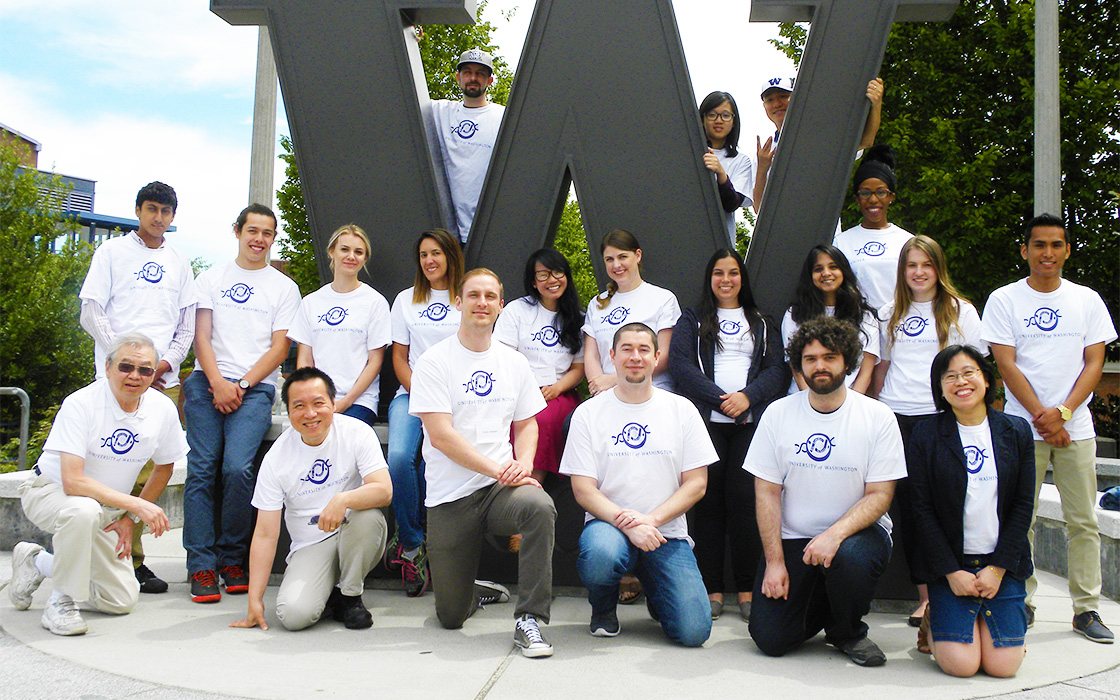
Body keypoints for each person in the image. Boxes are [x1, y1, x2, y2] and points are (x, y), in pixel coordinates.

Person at [982, 213, 1116, 643]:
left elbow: (1094, 361)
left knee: (1083, 521)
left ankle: (1086, 609)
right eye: (1038, 245)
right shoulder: (1004, 300)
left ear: (1066, 250)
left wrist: (1064, 412)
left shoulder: (1087, 300)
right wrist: (1044, 415)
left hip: (1075, 428)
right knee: (1021, 520)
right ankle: (1023, 601)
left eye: (1056, 245)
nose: (1047, 253)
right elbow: (1006, 364)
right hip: (1023, 428)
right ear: (1025, 250)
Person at [410, 269, 557, 658]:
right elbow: (441, 436)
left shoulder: (513, 362)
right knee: (450, 616)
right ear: (458, 302)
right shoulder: (434, 362)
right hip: (449, 497)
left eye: (490, 297)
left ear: (501, 306)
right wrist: (498, 468)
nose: (482, 303)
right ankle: (473, 590)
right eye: (473, 295)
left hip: (499, 492)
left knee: (539, 507)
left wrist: (522, 465)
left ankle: (530, 620)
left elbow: (527, 424)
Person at [745, 316, 906, 666]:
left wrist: (834, 535)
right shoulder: (778, 414)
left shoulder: (878, 417)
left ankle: (846, 631)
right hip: (793, 540)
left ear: (847, 362)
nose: (820, 366)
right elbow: (766, 493)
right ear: (799, 366)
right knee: (770, 640)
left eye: (829, 357)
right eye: (810, 358)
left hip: (857, 537)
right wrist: (774, 563)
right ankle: (823, 597)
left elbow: (879, 494)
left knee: (849, 558)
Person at [9, 333, 188, 635]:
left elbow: (165, 466)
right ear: (107, 368)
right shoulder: (81, 404)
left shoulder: (162, 409)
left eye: (145, 369)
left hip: (106, 506)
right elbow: (73, 480)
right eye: (125, 366)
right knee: (83, 510)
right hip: (50, 492)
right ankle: (60, 603)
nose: (135, 376)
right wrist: (136, 505)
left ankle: (37, 562)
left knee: (119, 600)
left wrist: (130, 520)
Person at [562, 322, 716, 646]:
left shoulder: (681, 410)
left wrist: (651, 521)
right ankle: (603, 609)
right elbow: (583, 489)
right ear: (612, 355)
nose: (635, 357)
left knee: (694, 632)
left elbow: (697, 483)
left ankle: (660, 595)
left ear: (657, 357)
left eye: (644, 349)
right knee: (601, 556)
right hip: (609, 527)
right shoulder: (588, 414)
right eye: (627, 350)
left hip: (665, 533)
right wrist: (629, 524)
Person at [78, 180, 196, 595]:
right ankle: (91, 557)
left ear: (172, 217)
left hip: (162, 383)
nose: (158, 218)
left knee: (146, 472)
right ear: (138, 210)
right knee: (105, 468)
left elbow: (186, 321)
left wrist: (164, 363)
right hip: (116, 381)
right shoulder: (111, 253)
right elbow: (91, 310)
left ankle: (134, 559)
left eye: (165, 212)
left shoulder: (180, 262)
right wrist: (125, 360)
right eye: (151, 209)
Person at [183, 204, 300, 604]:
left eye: (267, 233)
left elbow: (281, 346)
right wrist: (217, 382)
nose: (259, 240)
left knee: (237, 468)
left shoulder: (283, 288)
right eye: (252, 231)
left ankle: (232, 558)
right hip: (205, 384)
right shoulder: (211, 278)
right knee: (201, 468)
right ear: (237, 231)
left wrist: (243, 384)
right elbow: (201, 337)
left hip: (255, 389)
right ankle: (200, 563)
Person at [869, 234, 986, 626]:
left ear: (938, 268)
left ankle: (948, 590)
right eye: (911, 265)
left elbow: (978, 371)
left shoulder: (961, 311)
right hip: (897, 418)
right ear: (902, 271)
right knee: (905, 509)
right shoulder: (887, 313)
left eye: (926, 264)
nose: (919, 272)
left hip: (942, 419)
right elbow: (880, 370)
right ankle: (924, 597)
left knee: (942, 507)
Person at [668, 249, 788, 621]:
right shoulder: (692, 318)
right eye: (718, 272)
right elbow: (681, 366)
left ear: (742, 278)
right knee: (706, 504)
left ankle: (747, 590)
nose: (725, 280)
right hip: (706, 424)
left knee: (744, 502)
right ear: (710, 278)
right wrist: (721, 401)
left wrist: (747, 398)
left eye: (733, 273)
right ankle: (711, 588)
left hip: (749, 426)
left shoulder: (762, 321)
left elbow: (778, 370)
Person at [230, 367, 392, 632]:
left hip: (353, 531)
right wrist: (254, 600)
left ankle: (350, 597)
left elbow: (384, 491)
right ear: (289, 411)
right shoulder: (277, 457)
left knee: (368, 516)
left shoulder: (357, 432)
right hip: (311, 543)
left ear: (332, 403)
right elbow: (265, 534)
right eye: (299, 406)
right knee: (293, 616)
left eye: (318, 403)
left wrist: (342, 500)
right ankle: (330, 593)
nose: (310, 413)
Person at [908, 346, 1033, 677]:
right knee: (961, 666)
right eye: (949, 376)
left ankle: (995, 620)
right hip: (953, 566)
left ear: (986, 379)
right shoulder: (925, 435)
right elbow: (921, 509)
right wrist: (951, 572)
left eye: (968, 372)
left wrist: (998, 569)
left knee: (1003, 668)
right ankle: (934, 621)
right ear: (940, 388)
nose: (960, 382)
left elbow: (1023, 506)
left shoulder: (1017, 431)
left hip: (1000, 563)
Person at [582, 228, 681, 604]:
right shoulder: (599, 303)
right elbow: (591, 351)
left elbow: (665, 353)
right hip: (608, 396)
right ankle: (613, 562)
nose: (616, 265)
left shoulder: (661, 298)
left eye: (622, 257)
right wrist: (600, 384)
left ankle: (650, 564)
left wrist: (617, 378)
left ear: (637, 255)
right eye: (609, 259)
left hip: (653, 396)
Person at [384, 228, 465, 597]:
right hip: (411, 395)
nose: (429, 261)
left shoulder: (465, 298)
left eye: (436, 253)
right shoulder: (405, 299)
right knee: (400, 457)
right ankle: (413, 544)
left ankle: (425, 543)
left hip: (458, 401)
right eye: (423, 255)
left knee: (426, 465)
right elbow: (399, 357)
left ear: (450, 255)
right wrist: (421, 391)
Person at [494, 248, 585, 484]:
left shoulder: (577, 318)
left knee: (544, 419)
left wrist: (556, 389)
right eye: (543, 275)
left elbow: (578, 369)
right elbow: (502, 357)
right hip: (517, 389)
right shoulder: (518, 310)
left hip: (557, 392)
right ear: (533, 282)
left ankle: (531, 482)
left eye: (557, 272)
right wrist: (525, 390)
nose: (552, 280)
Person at [288, 224, 391, 426]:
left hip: (358, 402)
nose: (351, 256)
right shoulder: (311, 302)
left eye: (358, 252)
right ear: (331, 252)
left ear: (364, 259)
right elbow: (305, 358)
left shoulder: (375, 303)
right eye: (345, 249)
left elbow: (375, 362)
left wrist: (345, 402)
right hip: (316, 399)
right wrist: (314, 398)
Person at [753, 76, 884, 213]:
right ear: (764, 106)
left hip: (823, 228)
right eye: (770, 100)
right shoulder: (764, 153)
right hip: (784, 229)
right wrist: (762, 168)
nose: (777, 104)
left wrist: (876, 104)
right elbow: (758, 208)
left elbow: (865, 141)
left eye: (783, 96)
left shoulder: (820, 137)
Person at [782, 244, 879, 394]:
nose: (826, 273)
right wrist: (814, 402)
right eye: (818, 269)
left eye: (833, 267)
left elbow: (866, 372)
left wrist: (848, 406)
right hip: (803, 399)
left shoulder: (864, 315)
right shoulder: (795, 313)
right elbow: (796, 367)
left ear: (844, 271)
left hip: (848, 403)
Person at [431, 48, 505, 243]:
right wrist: (413, 38)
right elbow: (405, 87)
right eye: (468, 72)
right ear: (458, 77)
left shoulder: (504, 117)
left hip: (490, 230)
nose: (473, 78)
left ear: (489, 81)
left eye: (480, 73)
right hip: (449, 233)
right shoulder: (439, 112)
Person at [833, 145, 914, 311]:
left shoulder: (908, 242)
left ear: (891, 196)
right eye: (865, 193)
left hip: (900, 328)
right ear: (857, 198)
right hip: (858, 329)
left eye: (881, 192)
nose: (873, 199)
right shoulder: (841, 243)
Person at [699, 91, 753, 243]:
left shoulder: (740, 161)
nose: (719, 120)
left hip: (721, 247)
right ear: (702, 119)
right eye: (712, 115)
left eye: (725, 115)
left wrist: (721, 173)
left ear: (734, 121)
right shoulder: (688, 154)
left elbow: (731, 204)